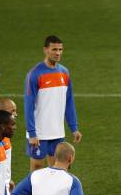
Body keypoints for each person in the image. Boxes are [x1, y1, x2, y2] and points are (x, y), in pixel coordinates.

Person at [24, 35, 82, 172]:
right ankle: (35, 194)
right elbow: (28, 105)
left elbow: (69, 101)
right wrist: (32, 133)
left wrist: (74, 127)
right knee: (37, 168)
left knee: (58, 168)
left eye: (60, 49)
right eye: (54, 49)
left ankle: (55, 194)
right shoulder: (34, 74)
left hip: (57, 132)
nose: (58, 53)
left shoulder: (64, 73)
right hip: (39, 133)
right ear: (45, 50)